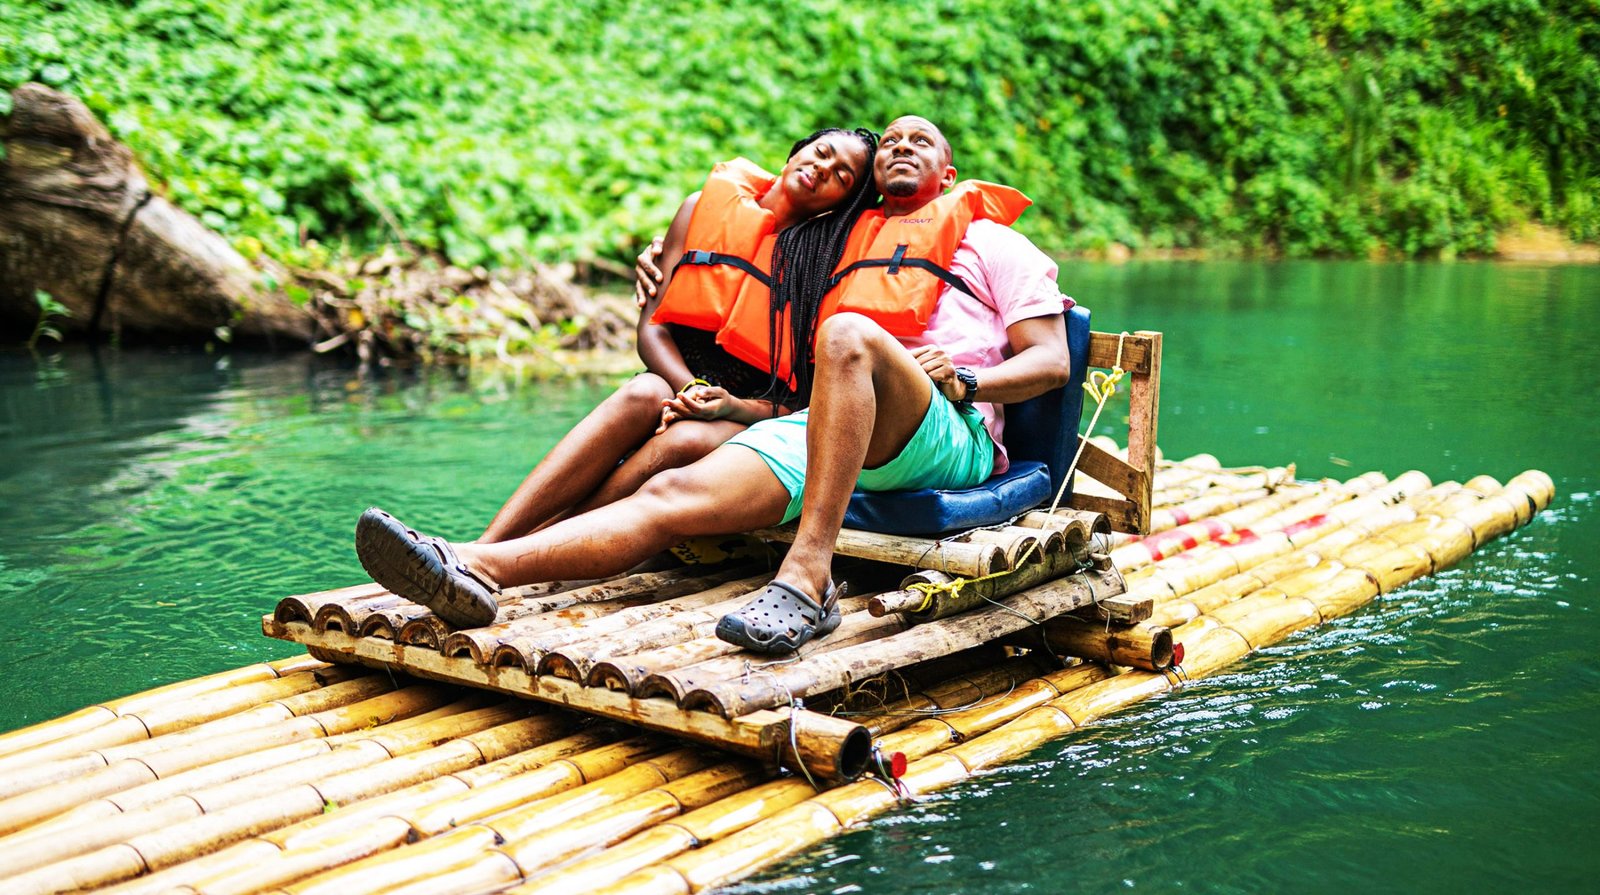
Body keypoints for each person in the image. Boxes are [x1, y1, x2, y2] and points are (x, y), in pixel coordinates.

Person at [355, 115, 1072, 654]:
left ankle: (808, 576)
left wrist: (969, 379)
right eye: (890, 141)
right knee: (669, 495)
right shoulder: (845, 245)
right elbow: (750, 244)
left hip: (949, 430)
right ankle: (476, 567)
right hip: (829, 420)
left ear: (949, 174)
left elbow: (1051, 361)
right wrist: (660, 256)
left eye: (922, 141)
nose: (901, 147)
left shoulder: (992, 243)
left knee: (847, 333)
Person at [472, 127, 879, 545]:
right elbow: (652, 330)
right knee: (642, 392)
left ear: (841, 205)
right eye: (822, 152)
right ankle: (484, 546)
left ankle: (523, 548)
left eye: (842, 177)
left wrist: (728, 406)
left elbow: (806, 403)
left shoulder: (826, 265)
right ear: (796, 152)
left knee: (685, 439)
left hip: (747, 412)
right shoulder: (699, 209)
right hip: (676, 379)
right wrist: (690, 388)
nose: (822, 168)